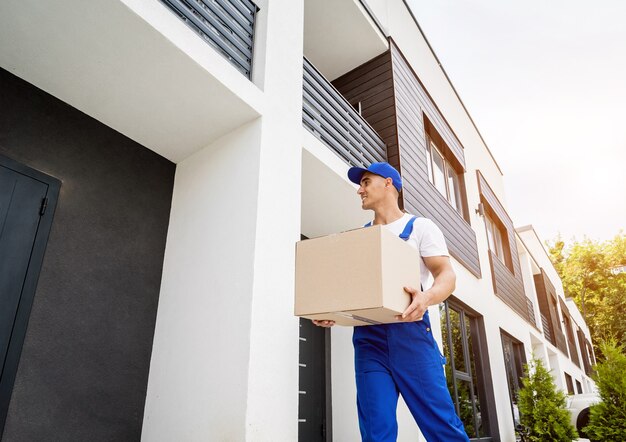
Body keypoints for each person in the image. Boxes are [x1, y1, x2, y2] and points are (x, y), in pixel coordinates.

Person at [313, 162, 469, 442]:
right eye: (359, 185)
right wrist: (332, 313)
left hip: (412, 338)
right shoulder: (361, 237)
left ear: (388, 183)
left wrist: (427, 297)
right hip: (369, 343)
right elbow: (354, 292)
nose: (359, 190)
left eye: (365, 182)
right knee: (376, 431)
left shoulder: (420, 227)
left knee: (443, 428)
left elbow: (446, 276)